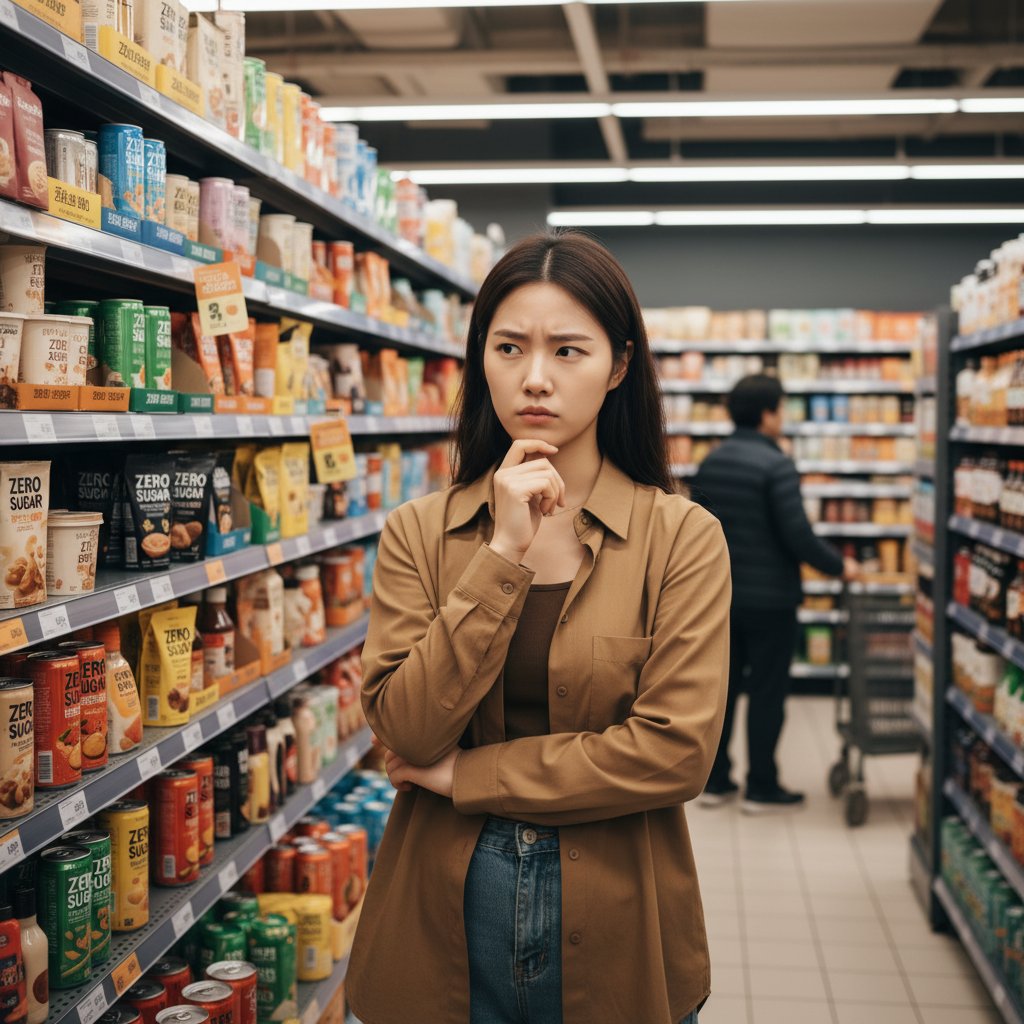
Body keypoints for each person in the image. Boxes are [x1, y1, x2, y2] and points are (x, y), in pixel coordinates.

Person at [345, 232, 731, 1024]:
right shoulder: (419, 532)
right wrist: (503, 551)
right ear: (479, 356)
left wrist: (470, 777)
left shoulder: (682, 537)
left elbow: (675, 753)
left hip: (622, 923)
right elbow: (408, 729)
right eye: (510, 346)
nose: (534, 378)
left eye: (568, 350)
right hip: (439, 923)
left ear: (620, 365)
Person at [690, 374, 859, 813]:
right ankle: (762, 785)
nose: (782, 418)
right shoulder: (776, 464)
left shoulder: (712, 461)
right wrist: (842, 567)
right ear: (767, 413)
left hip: (721, 596)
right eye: (781, 409)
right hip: (771, 601)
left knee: (721, 691)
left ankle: (715, 780)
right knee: (767, 692)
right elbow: (797, 536)